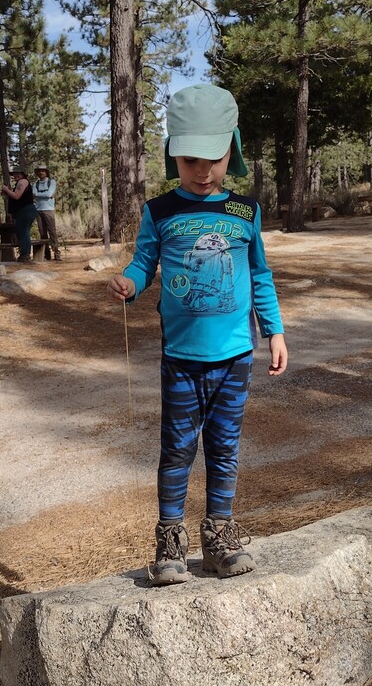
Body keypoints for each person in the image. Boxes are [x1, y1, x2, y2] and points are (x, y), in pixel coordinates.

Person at [106, 84, 288, 587]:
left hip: (235, 357)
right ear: (172, 155)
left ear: (232, 147)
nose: (202, 171)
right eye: (189, 160)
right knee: (178, 448)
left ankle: (220, 539)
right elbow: (145, 262)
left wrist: (274, 331)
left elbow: (260, 276)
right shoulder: (160, 212)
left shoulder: (243, 212)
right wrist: (130, 281)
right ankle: (169, 541)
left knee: (225, 447)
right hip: (181, 358)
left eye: (213, 158)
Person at [1, 165, 38, 262]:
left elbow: (16, 196)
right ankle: (24, 254)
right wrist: (7, 193)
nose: (16, 175)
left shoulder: (23, 181)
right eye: (14, 174)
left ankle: (25, 255)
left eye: (18, 173)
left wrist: (6, 189)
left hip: (26, 210)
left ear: (22, 174)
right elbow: (14, 198)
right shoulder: (19, 183)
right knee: (23, 232)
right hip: (23, 211)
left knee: (23, 232)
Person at [32, 164, 62, 261]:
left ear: (46, 172)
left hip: (49, 209)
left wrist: (38, 194)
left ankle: (56, 253)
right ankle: (46, 254)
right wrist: (45, 194)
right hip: (38, 210)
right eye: (39, 171)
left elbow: (48, 193)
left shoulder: (51, 182)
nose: (41, 173)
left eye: (43, 171)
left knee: (52, 232)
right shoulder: (35, 184)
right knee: (42, 233)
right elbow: (35, 194)